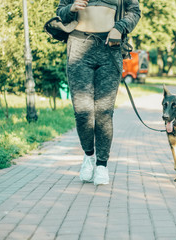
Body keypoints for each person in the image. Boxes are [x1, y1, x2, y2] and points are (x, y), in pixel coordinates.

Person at [56, 0, 141, 185]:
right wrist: (70, 8)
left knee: (104, 111)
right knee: (82, 110)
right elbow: (60, 12)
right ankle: (89, 156)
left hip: (109, 47)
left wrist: (119, 27)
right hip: (78, 45)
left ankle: (102, 165)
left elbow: (134, 12)